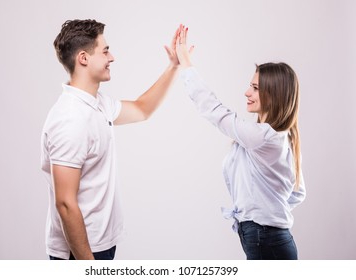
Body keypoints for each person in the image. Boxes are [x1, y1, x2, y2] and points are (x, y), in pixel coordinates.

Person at [41, 19, 180, 260]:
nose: (112, 57)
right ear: (83, 58)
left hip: (100, 243)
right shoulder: (70, 120)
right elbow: (65, 204)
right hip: (80, 251)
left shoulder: (97, 103)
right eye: (105, 50)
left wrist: (173, 67)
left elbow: (141, 109)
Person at [174, 26, 306, 260]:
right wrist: (269, 208)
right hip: (267, 237)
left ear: (274, 94)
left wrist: (185, 64)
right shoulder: (280, 136)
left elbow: (214, 110)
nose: (246, 92)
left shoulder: (263, 137)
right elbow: (297, 193)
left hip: (266, 239)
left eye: (255, 88)